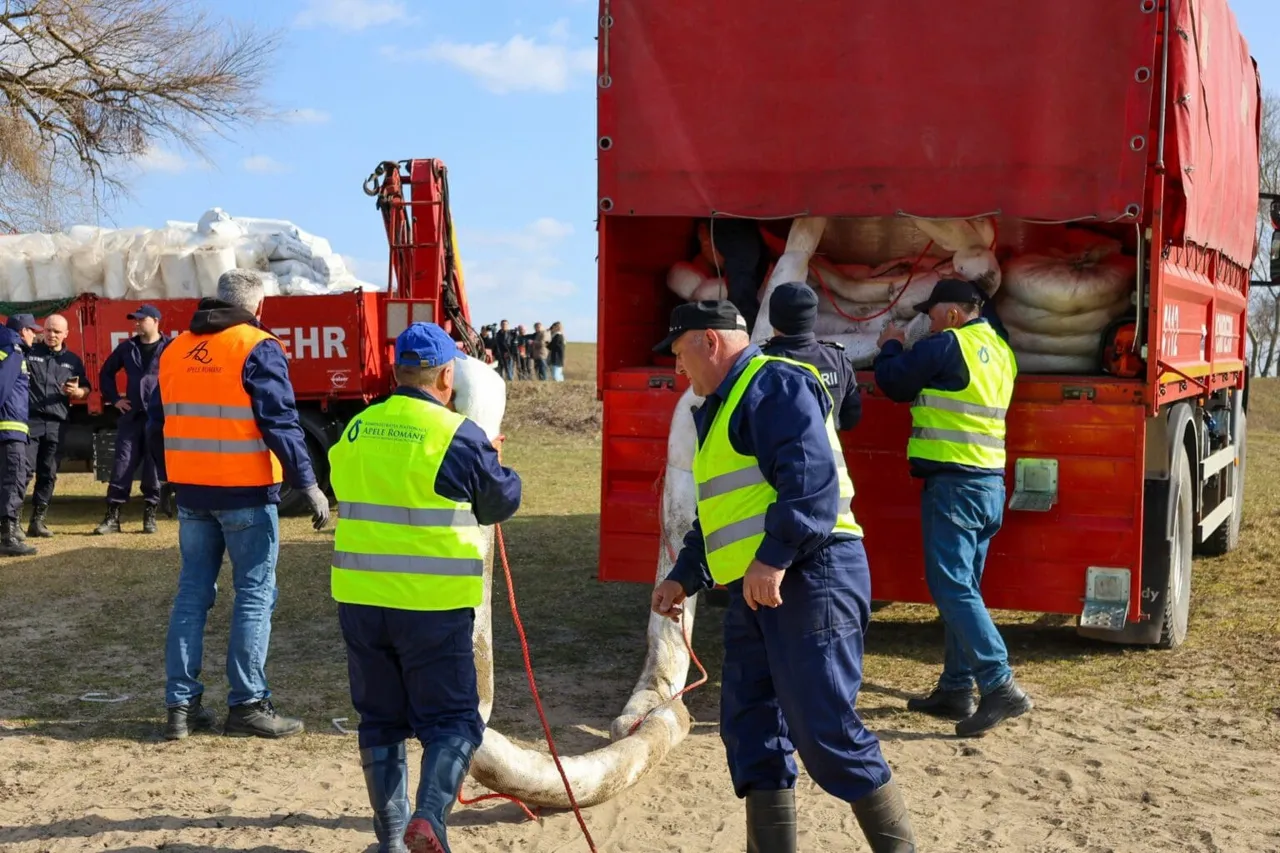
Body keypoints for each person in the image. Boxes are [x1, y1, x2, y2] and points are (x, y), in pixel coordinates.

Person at [649, 301, 915, 853]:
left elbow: (810, 483)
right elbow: (726, 512)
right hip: (762, 585)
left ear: (710, 342)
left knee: (825, 731)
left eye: (680, 354)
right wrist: (684, 575)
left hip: (811, 572)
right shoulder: (725, 404)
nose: (679, 369)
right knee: (752, 729)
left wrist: (773, 558)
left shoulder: (772, 385)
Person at [328, 321, 521, 853]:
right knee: (453, 719)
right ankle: (429, 818)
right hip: (433, 606)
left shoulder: (358, 428)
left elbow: (343, 484)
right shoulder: (457, 436)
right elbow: (500, 501)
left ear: (396, 373)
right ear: (445, 375)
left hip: (362, 601)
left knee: (380, 720)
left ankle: (391, 840)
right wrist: (494, 457)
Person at [149, 270, 330, 741]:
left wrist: (168, 479)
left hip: (192, 495)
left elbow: (155, 425)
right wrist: (308, 483)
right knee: (253, 596)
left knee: (191, 596)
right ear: (258, 307)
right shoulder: (257, 345)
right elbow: (280, 421)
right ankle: (248, 705)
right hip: (246, 495)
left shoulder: (173, 349)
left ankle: (181, 708)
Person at [872, 277, 1032, 737]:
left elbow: (893, 383)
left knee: (951, 588)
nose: (928, 321)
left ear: (955, 314)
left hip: (954, 487)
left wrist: (890, 345)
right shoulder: (1001, 349)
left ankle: (999, 684)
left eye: (933, 313)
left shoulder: (945, 346)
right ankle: (956, 688)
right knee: (967, 589)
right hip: (988, 486)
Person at [95, 303, 168, 534]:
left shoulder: (170, 347)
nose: (136, 323)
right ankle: (112, 517)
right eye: (134, 320)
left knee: (153, 467)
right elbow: (106, 373)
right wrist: (115, 399)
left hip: (157, 417)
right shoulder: (127, 348)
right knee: (122, 464)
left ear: (156, 321)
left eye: (141, 319)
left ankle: (150, 516)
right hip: (132, 416)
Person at [21, 313, 91, 537]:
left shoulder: (72, 360)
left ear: (66, 334)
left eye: (57, 331)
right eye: (48, 330)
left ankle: (37, 521)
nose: (51, 335)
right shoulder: (31, 353)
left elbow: (86, 389)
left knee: (48, 473)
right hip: (30, 421)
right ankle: (11, 522)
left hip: (57, 423)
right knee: (22, 472)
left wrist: (77, 392)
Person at [760, 282, 862, 431]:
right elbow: (851, 416)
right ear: (812, 318)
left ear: (773, 319)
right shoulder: (837, 359)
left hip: (776, 454)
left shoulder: (761, 362)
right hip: (826, 452)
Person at [0, 315, 40, 556]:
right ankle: (9, 537)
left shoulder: (8, 349)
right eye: (32, 330)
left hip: (10, 427)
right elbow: (2, 387)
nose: (35, 335)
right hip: (10, 428)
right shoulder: (14, 351)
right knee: (14, 478)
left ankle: (10, 531)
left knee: (11, 477)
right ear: (23, 331)